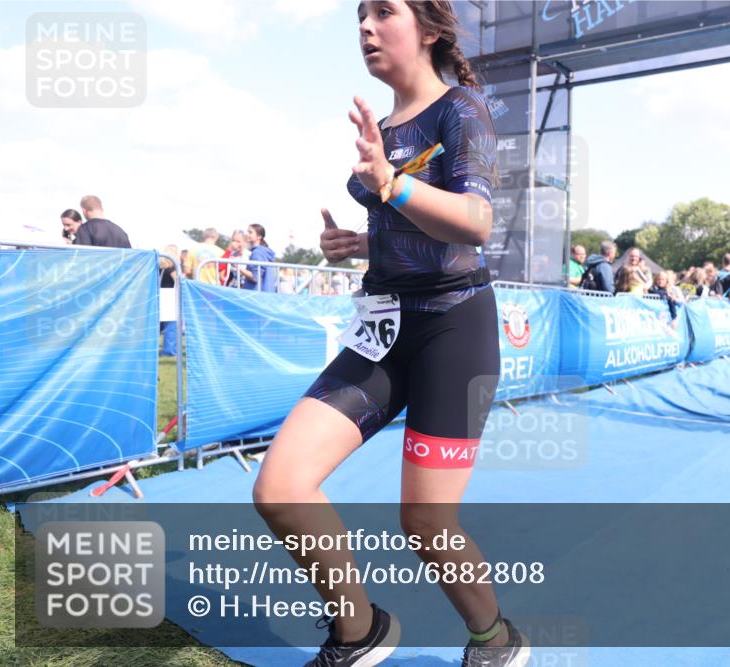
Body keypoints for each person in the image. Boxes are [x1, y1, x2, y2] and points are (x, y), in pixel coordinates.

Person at [251, 3, 528, 667]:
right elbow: (399, 217)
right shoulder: (383, 129)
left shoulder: (460, 109)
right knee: (280, 486)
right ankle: (359, 630)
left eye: (383, 12)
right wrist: (357, 239)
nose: (366, 28)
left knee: (426, 524)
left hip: (454, 332)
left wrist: (391, 186)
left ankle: (496, 637)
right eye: (359, 17)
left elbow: (475, 221)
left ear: (430, 29)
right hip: (383, 330)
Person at [240, 224, 277, 292]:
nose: (247, 234)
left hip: (256, 295)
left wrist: (239, 269)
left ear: (259, 236)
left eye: (250, 232)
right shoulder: (263, 251)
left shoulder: (257, 252)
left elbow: (255, 277)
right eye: (247, 232)